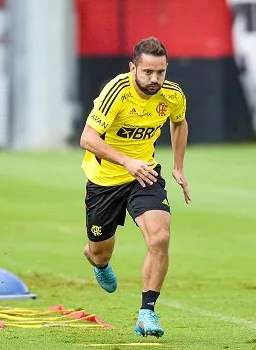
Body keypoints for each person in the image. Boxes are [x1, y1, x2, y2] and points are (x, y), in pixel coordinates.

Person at [79, 37, 191, 338]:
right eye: (148, 72)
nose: (155, 79)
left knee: (160, 238)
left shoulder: (172, 94)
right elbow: (88, 139)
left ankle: (147, 312)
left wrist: (178, 167)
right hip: (105, 181)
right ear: (133, 68)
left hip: (145, 174)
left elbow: (179, 123)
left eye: (161, 72)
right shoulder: (117, 91)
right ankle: (99, 263)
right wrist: (126, 162)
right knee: (99, 253)